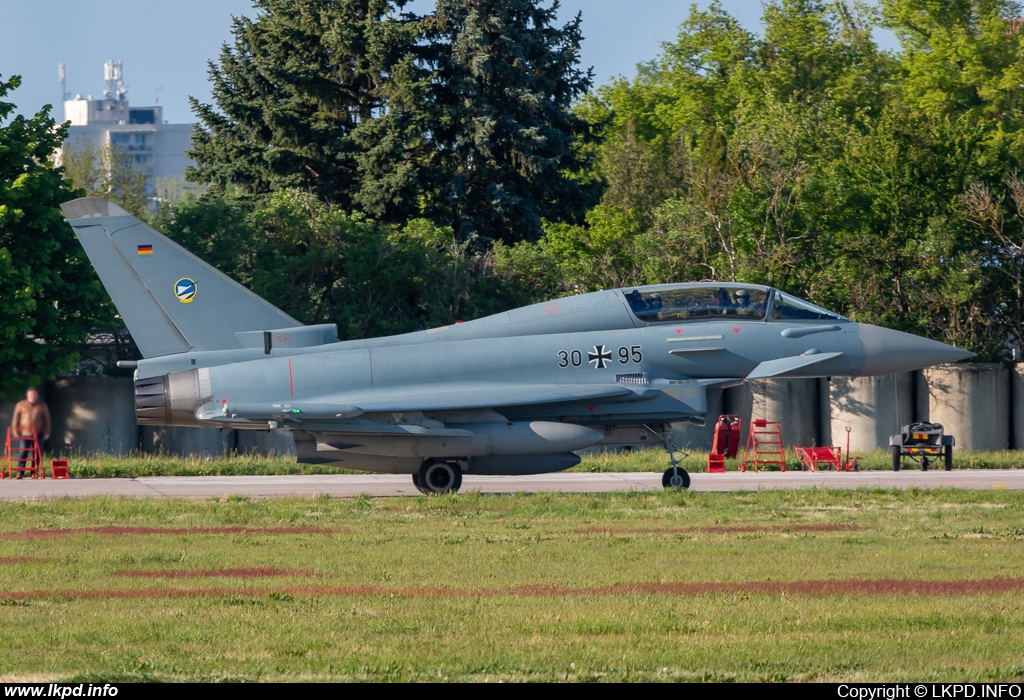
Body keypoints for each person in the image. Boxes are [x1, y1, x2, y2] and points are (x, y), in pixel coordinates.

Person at [11, 387, 50, 479]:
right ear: (28, 395)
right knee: (23, 451)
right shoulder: (21, 405)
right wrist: (15, 430)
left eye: (34, 395)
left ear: (37, 396)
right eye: (31, 394)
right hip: (25, 432)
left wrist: (47, 432)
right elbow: (16, 418)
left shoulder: (42, 406)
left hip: (38, 432)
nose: (33, 396)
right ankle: (20, 472)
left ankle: (34, 472)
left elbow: (47, 419)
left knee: (37, 452)